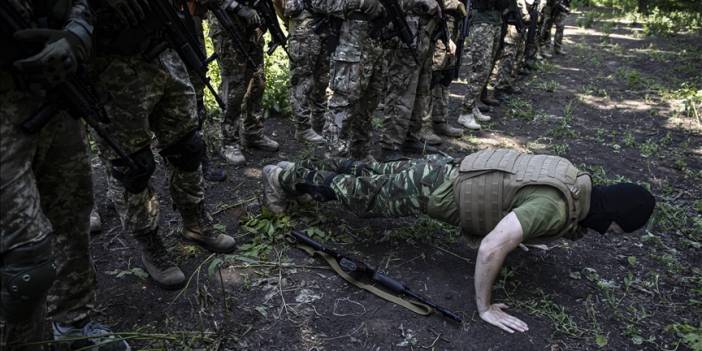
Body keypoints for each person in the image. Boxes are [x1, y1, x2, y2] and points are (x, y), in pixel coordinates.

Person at [261, 149, 656, 333]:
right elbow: (491, 246)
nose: (612, 236)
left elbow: (516, 194)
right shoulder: (556, 206)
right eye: (618, 231)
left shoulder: (572, 179)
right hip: (435, 189)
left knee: (369, 174)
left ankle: (297, 167)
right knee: (357, 194)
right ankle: (279, 178)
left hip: (447, 167)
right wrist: (484, 307)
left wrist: (524, 230)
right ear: (613, 219)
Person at [1, 0, 128, 348]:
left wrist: (77, 32)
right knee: (25, 260)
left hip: (52, 93)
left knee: (72, 216)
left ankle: (73, 324)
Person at [89, 0, 237, 289]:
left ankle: (195, 222)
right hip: (113, 62)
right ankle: (149, 242)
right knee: (133, 166)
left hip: (163, 48)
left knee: (188, 146)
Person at [208, 0, 280, 166]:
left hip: (252, 25)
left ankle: (252, 132)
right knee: (235, 87)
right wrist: (237, 7)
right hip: (226, 23)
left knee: (258, 80)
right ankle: (228, 141)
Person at [285, 0, 332, 144]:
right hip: (304, 25)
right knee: (302, 79)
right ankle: (303, 128)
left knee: (322, 77)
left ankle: (318, 121)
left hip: (324, 22)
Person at [455, 0, 503, 130]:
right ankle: (465, 112)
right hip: (481, 22)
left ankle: (473, 105)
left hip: (495, 21)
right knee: (481, 69)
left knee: (487, 68)